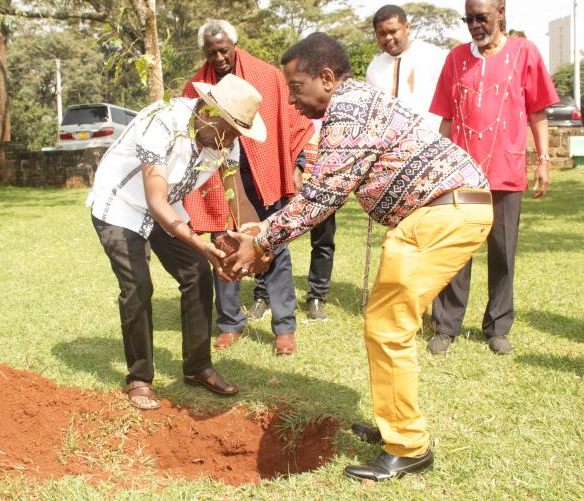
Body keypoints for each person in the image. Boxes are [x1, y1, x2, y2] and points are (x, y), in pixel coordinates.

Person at [225, 33, 493, 481]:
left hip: (443, 213)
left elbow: (321, 197)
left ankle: (408, 446)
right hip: (446, 210)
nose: (292, 101)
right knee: (385, 322)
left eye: (295, 87)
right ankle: (395, 427)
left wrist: (263, 238)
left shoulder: (347, 111)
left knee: (388, 326)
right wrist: (263, 230)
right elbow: (325, 188)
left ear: (327, 78)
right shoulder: (353, 101)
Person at [86, 74, 265, 410]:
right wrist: (201, 243)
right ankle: (139, 377)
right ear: (210, 113)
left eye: (237, 134)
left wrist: (255, 238)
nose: (230, 142)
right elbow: (155, 201)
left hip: (167, 209)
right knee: (137, 284)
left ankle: (198, 367)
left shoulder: (226, 140)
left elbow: (236, 196)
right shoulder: (162, 120)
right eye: (230, 131)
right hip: (120, 206)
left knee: (197, 273)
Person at [427, 0, 558, 355]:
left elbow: (537, 110)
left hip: (506, 170)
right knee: (457, 250)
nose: (474, 25)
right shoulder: (455, 58)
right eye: (468, 18)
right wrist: (437, 166)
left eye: (480, 17)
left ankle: (498, 326)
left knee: (502, 250)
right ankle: (446, 326)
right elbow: (446, 119)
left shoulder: (523, 52)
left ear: (499, 12)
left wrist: (544, 159)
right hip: (462, 175)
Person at [181, 19, 318, 355]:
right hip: (217, 178)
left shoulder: (265, 75)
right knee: (223, 245)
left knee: (273, 244)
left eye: (224, 50)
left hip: (262, 174)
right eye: (211, 52)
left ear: (235, 44)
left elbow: (294, 119)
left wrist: (298, 166)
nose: (219, 57)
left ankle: (284, 326)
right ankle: (229, 323)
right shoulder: (194, 86)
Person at [365, 4, 447, 130]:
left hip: (431, 143)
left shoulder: (434, 56)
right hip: (389, 146)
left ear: (407, 27)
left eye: (393, 31)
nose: (388, 38)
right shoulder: (374, 68)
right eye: (382, 33)